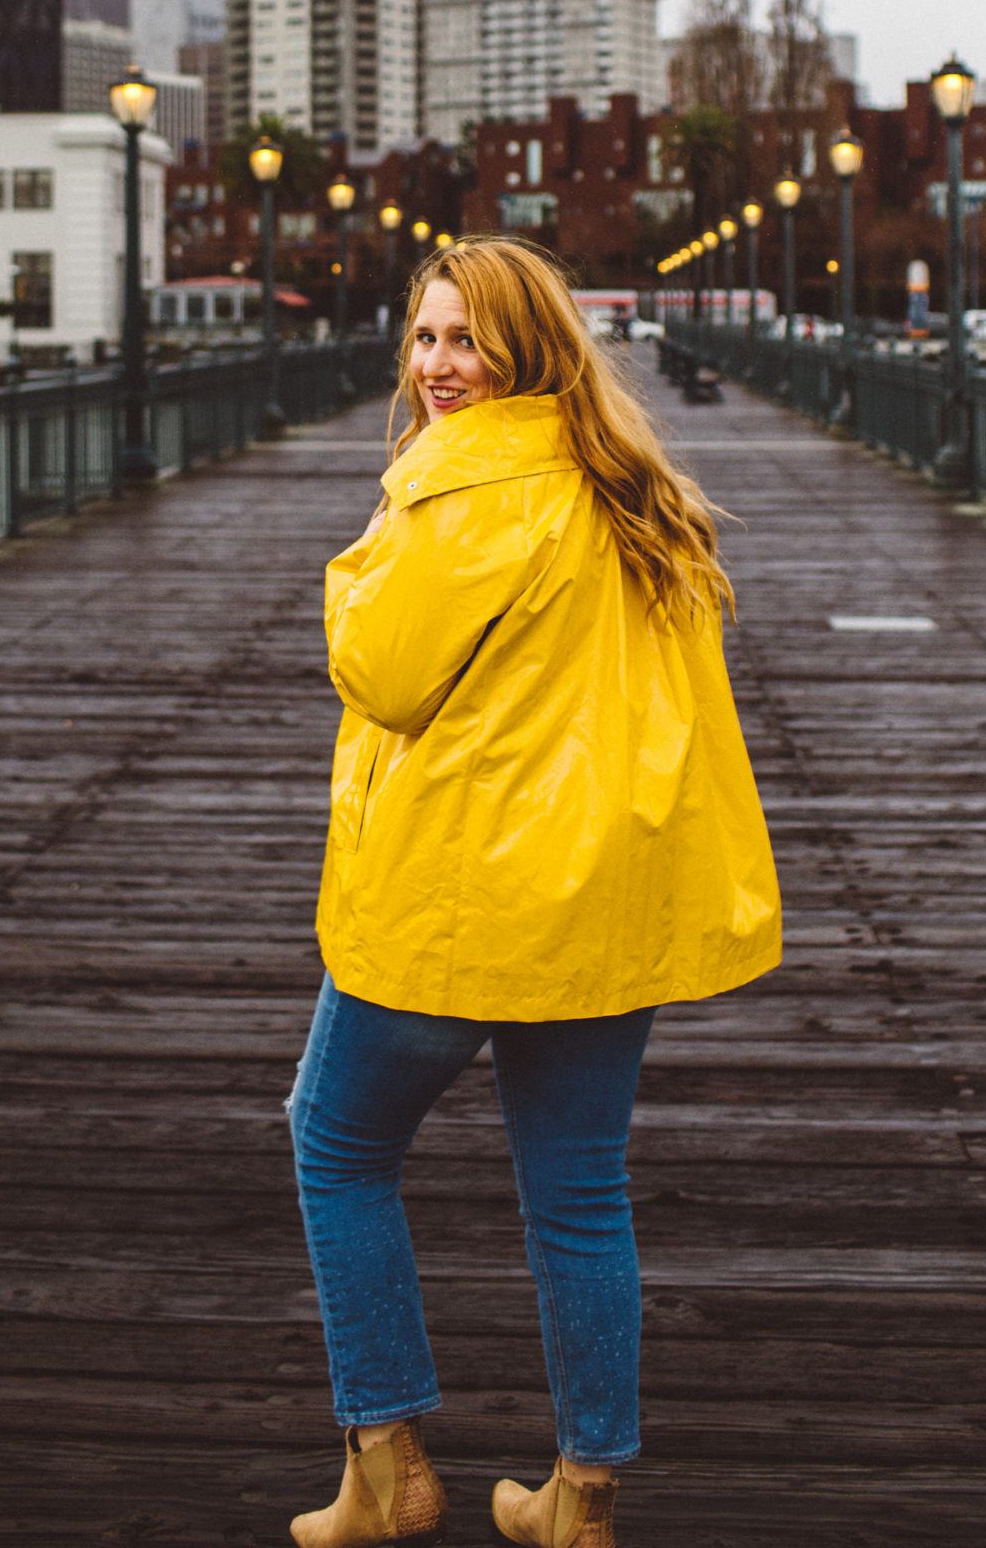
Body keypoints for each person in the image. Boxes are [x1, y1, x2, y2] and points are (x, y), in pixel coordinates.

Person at [286, 236, 781, 1548]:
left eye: (468, 339)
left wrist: (364, 554)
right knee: (578, 1186)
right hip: (603, 898)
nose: (441, 365)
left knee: (335, 1144)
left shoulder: (460, 487)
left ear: (528, 349)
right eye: (428, 337)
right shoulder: (630, 489)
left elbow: (381, 674)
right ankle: (582, 1496)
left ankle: (386, 1462)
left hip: (456, 896)